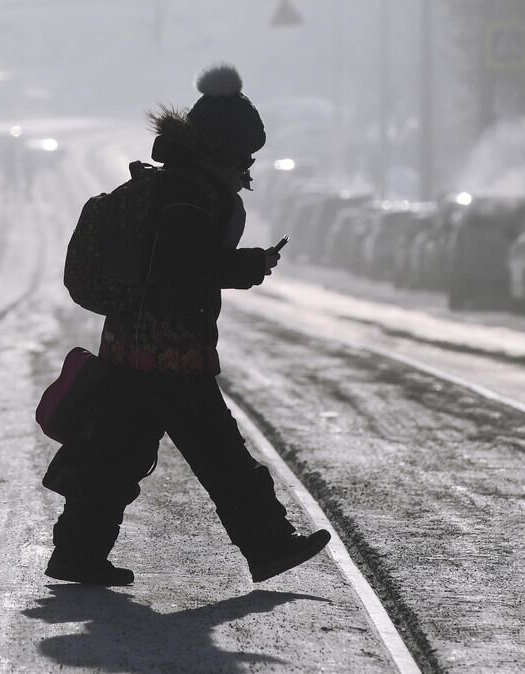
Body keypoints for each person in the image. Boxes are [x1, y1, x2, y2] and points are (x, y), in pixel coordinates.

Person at [42, 64, 330, 586]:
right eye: (244, 151)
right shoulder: (190, 196)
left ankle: (77, 553)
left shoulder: (175, 185)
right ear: (221, 146)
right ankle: (268, 545)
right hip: (171, 352)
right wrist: (247, 266)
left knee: (113, 459)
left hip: (130, 347)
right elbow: (183, 269)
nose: (248, 163)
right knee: (222, 456)